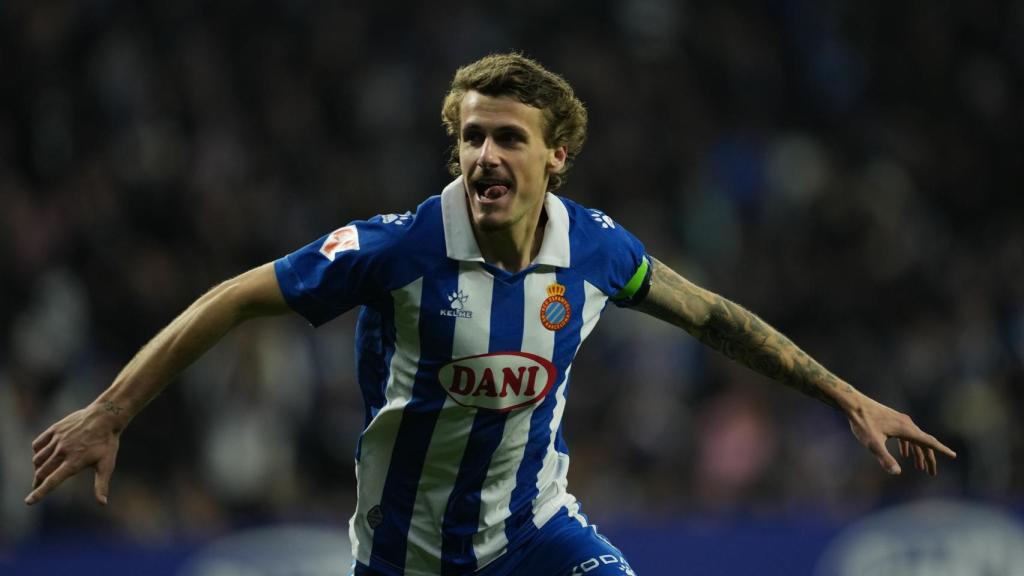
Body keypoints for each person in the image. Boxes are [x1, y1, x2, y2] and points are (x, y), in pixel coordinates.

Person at [26, 53, 956, 576]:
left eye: (509, 136)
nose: (484, 154)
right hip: (404, 558)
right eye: (472, 135)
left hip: (535, 536)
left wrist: (847, 399)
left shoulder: (594, 251)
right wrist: (114, 409)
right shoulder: (397, 248)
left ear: (558, 158)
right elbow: (233, 298)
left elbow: (717, 319)